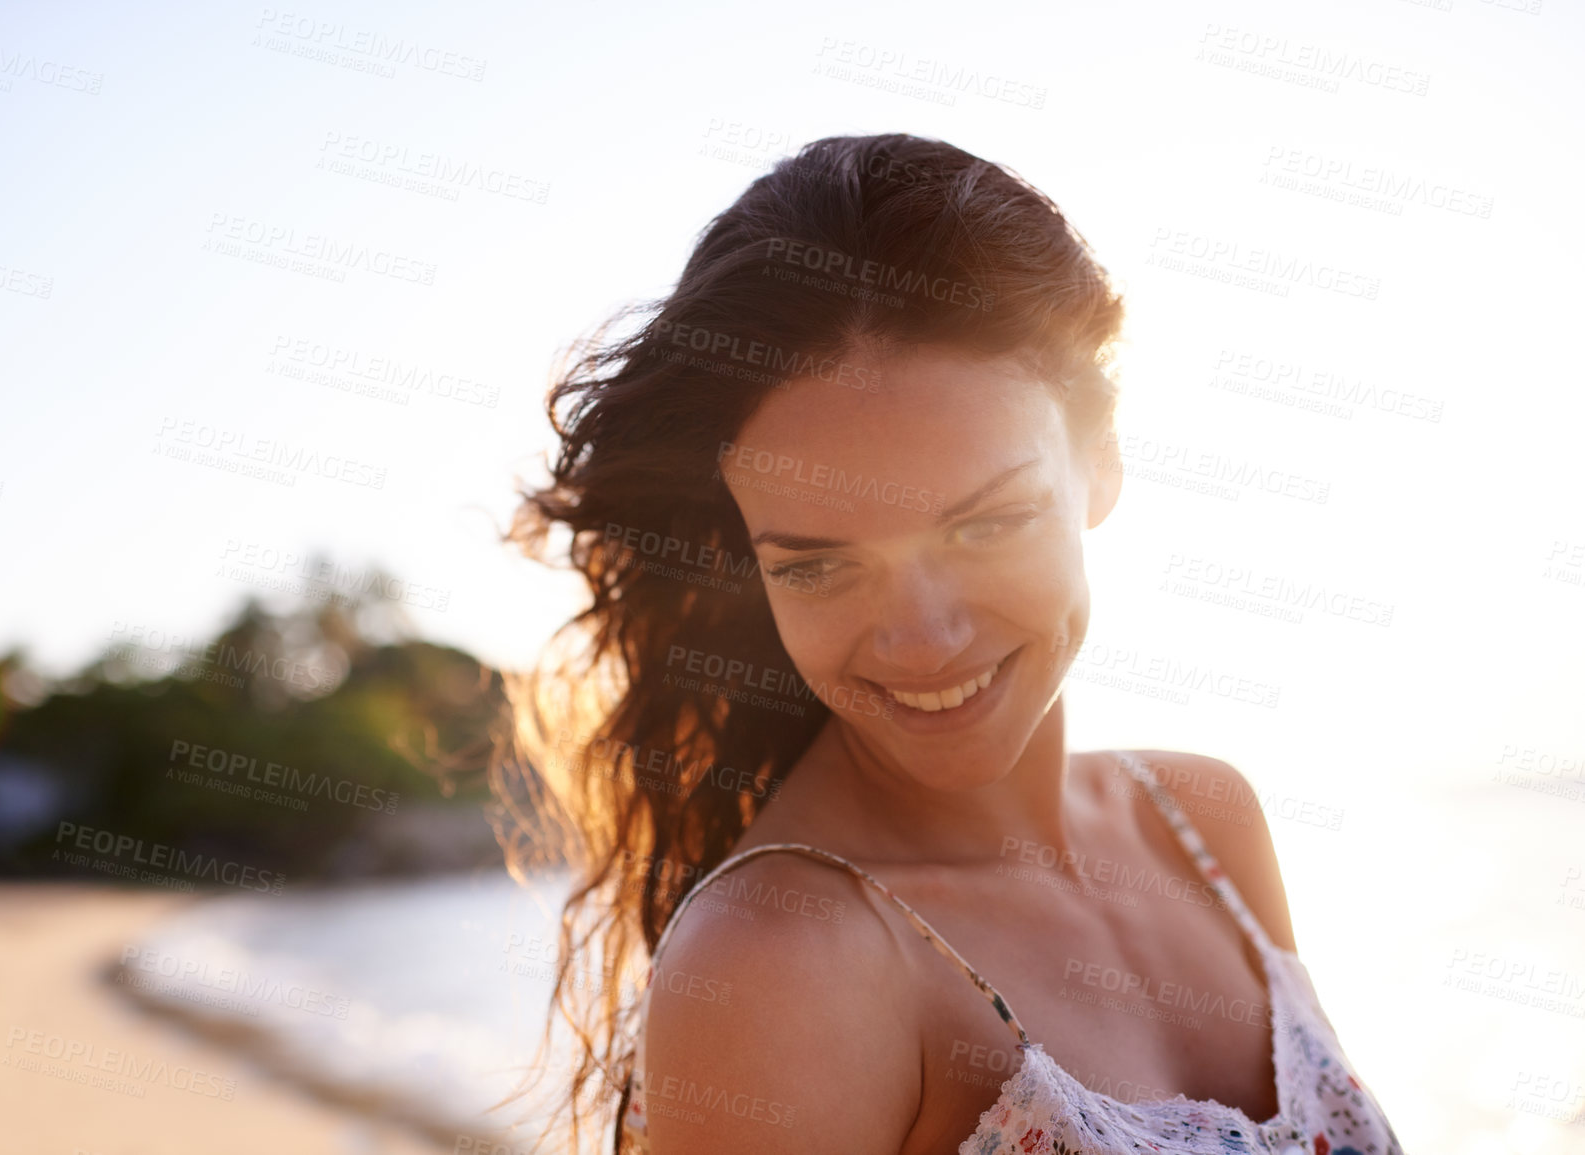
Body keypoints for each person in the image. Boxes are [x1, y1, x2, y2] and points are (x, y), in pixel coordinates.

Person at [494, 133, 1403, 1155]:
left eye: (985, 524)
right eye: (817, 564)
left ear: (1101, 459)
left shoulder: (1202, 821)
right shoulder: (783, 962)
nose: (925, 637)